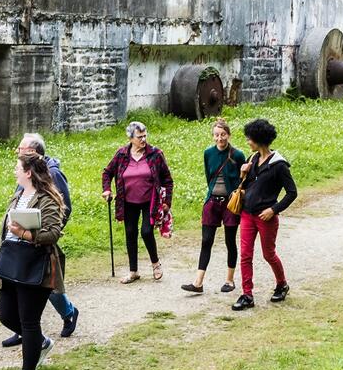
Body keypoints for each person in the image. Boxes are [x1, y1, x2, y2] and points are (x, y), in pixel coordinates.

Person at [0, 152, 66, 370]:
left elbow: (52, 234)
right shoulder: (17, 196)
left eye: (18, 167)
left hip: (36, 266)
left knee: (28, 321)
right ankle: (40, 342)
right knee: (6, 315)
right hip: (11, 262)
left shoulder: (47, 199)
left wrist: (26, 234)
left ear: (28, 172)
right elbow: (5, 233)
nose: (15, 171)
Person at [0, 134, 79, 348]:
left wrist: (45, 234)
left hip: (41, 240)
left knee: (47, 285)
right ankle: (22, 329)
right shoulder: (25, 174)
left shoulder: (52, 174)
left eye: (21, 149)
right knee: (22, 285)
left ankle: (69, 313)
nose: (17, 152)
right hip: (20, 242)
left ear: (33, 152)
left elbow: (64, 207)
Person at [232, 118, 297, 311]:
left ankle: (282, 284)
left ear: (259, 140)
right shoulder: (251, 160)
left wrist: (273, 210)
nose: (247, 142)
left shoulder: (279, 165)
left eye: (250, 139)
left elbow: (292, 193)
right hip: (247, 214)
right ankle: (247, 295)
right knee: (245, 255)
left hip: (265, 217)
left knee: (268, 254)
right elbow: (248, 187)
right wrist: (242, 174)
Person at [101, 121, 174, 282]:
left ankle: (155, 264)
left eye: (144, 136)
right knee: (130, 233)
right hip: (127, 201)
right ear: (130, 138)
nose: (143, 139)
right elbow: (107, 173)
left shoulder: (155, 154)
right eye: (139, 137)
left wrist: (167, 202)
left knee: (147, 231)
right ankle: (133, 271)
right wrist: (107, 189)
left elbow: (168, 180)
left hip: (150, 201)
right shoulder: (121, 155)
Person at [182, 118, 245, 294]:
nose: (220, 138)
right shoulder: (208, 153)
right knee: (206, 240)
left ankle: (229, 280)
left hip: (230, 203)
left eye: (223, 135)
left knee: (229, 241)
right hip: (212, 201)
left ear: (229, 135)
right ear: (213, 136)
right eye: (217, 135)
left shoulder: (237, 155)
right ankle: (198, 282)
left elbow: (244, 179)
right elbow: (207, 175)